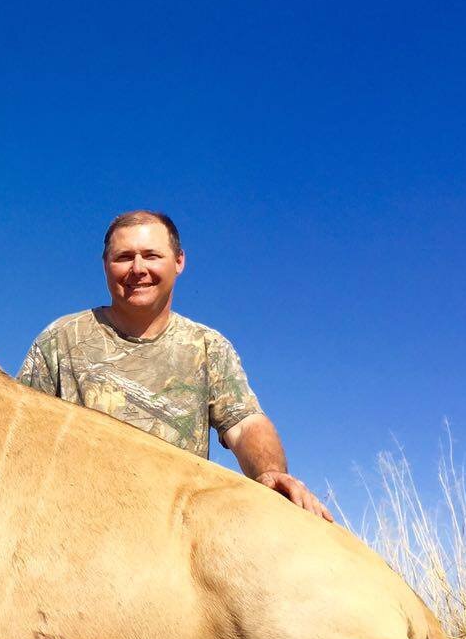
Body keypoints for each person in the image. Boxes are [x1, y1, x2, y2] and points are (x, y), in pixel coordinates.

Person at [17, 210, 333, 520]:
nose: (137, 268)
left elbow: (245, 423)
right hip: (77, 522)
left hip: (174, 530)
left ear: (179, 261)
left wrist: (270, 473)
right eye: (123, 257)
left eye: (151, 256)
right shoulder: (61, 338)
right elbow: (22, 431)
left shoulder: (207, 346)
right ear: (105, 265)